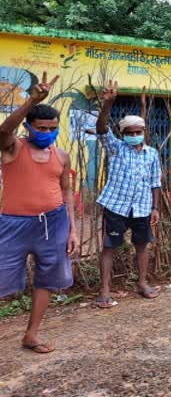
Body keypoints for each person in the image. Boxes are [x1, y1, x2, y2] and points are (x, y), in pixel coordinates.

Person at [0, 72, 77, 354]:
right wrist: (31, 100)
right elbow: (3, 132)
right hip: (12, 225)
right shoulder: (13, 148)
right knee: (3, 282)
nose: (47, 132)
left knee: (46, 280)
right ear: (29, 127)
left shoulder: (61, 155)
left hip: (53, 223)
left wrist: (72, 228)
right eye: (41, 128)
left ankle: (31, 334)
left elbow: (66, 190)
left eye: (52, 128)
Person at [95, 80, 162, 308]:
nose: (134, 135)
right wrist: (108, 104)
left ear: (144, 132)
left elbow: (156, 182)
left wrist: (155, 207)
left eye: (138, 131)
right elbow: (102, 129)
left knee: (142, 244)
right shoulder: (115, 148)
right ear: (123, 133)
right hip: (116, 206)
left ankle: (142, 282)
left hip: (142, 207)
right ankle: (104, 289)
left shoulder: (152, 154)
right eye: (130, 132)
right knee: (110, 246)